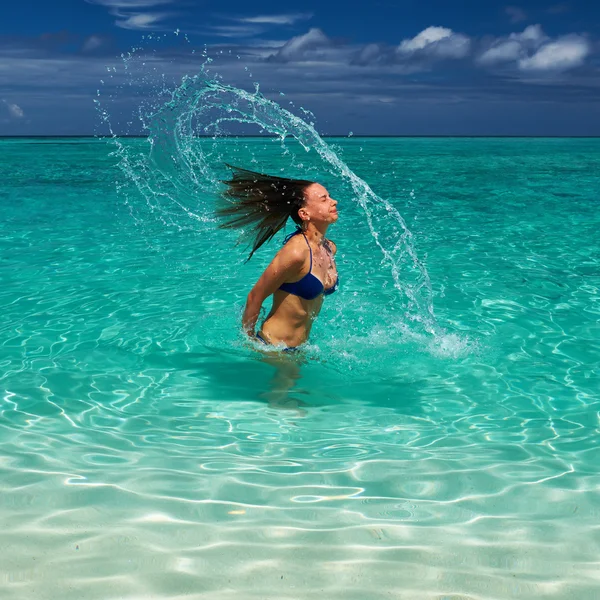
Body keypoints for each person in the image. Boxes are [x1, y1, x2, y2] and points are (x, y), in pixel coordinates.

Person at [216, 165, 339, 352]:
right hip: (274, 347)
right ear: (304, 213)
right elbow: (255, 297)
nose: (334, 201)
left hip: (301, 348)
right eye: (324, 199)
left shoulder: (329, 248)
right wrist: (249, 341)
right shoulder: (296, 253)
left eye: (329, 196)